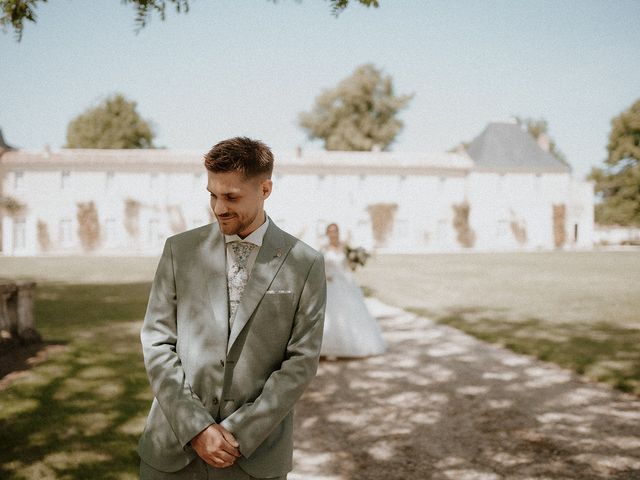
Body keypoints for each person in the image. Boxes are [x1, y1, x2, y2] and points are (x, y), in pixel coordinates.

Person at [137, 137, 327, 480]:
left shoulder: (306, 263)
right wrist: (196, 428)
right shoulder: (179, 251)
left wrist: (239, 433)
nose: (219, 208)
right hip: (172, 452)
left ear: (265, 189)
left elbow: (301, 362)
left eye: (231, 197)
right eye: (212, 194)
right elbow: (156, 342)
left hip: (254, 458)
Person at [319, 223, 385, 358]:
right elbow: (320, 267)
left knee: (351, 312)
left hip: (345, 283)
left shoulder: (345, 248)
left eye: (335, 231)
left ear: (338, 232)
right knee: (329, 315)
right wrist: (325, 276)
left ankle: (353, 346)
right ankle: (327, 348)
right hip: (330, 284)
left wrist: (356, 260)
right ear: (327, 233)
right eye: (330, 231)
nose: (333, 234)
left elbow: (349, 266)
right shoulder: (323, 249)